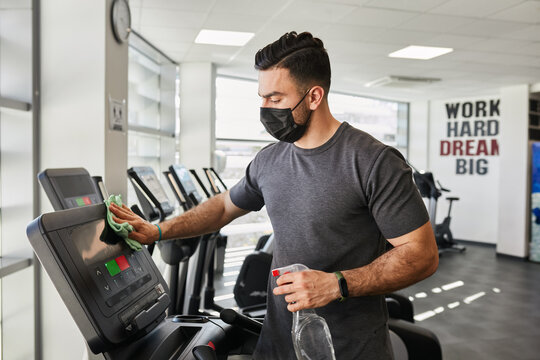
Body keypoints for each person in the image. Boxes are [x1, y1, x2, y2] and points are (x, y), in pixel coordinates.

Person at [110, 31, 439, 359]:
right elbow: (223, 207)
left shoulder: (372, 161)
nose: (265, 109)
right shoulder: (270, 160)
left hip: (350, 349)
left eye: (276, 98)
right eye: (262, 97)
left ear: (313, 97)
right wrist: (158, 230)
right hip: (276, 346)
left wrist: (337, 283)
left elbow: (422, 255)